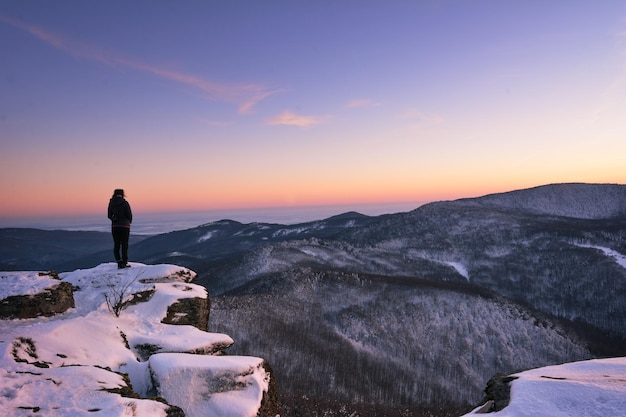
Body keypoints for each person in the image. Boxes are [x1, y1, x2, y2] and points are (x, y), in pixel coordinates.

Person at [107, 189, 133, 269]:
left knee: (116, 244)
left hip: (115, 226)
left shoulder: (111, 203)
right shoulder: (125, 203)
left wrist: (114, 219)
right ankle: (124, 262)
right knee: (124, 245)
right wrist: (129, 221)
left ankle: (119, 262)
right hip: (125, 226)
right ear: (122, 194)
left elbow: (109, 215)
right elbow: (129, 215)